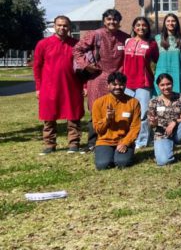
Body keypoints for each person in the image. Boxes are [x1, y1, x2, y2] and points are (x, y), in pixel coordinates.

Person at [73, 8, 130, 151]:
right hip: (98, 78)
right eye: (109, 19)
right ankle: (92, 143)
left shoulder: (125, 37)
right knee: (96, 110)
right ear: (104, 21)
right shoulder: (95, 34)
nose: (112, 22)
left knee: (117, 109)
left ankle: (115, 139)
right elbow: (77, 49)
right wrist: (86, 65)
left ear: (119, 22)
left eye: (115, 19)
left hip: (117, 80)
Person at [33, 16, 85, 155]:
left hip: (72, 85)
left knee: (73, 115)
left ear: (70, 27)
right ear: (54, 26)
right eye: (59, 25)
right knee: (49, 116)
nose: (62, 28)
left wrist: (84, 85)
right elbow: (37, 67)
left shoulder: (76, 44)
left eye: (65, 26)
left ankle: (74, 143)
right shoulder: (43, 44)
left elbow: (83, 66)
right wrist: (38, 87)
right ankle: (49, 144)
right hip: (49, 86)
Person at [92, 72, 141, 170]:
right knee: (103, 165)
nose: (118, 87)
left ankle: (122, 155)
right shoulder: (98, 103)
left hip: (124, 140)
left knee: (122, 162)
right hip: (105, 141)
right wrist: (107, 119)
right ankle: (108, 155)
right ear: (108, 85)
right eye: (114, 84)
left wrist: (126, 143)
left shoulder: (133, 102)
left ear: (125, 85)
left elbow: (135, 127)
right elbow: (98, 130)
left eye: (121, 84)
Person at [123, 16, 159, 149]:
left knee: (143, 114)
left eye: (144, 25)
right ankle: (130, 137)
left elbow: (157, 60)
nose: (141, 27)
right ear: (134, 27)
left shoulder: (152, 43)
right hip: (127, 83)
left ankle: (142, 141)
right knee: (128, 113)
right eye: (138, 25)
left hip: (144, 83)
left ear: (148, 28)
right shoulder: (127, 41)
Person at [154, 13, 181, 95]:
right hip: (161, 73)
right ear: (165, 23)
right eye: (168, 21)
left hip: (177, 74)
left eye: (173, 21)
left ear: (177, 23)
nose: (170, 23)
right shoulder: (157, 38)